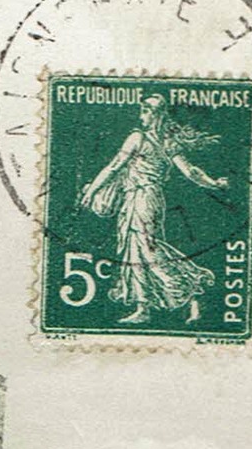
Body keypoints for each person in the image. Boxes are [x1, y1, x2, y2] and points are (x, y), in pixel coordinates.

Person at [77, 94, 229, 325]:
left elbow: (114, 167)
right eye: (142, 110)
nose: (142, 115)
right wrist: (214, 183)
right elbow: (192, 173)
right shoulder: (169, 144)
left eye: (146, 111)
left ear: (156, 114)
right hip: (148, 199)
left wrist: (90, 191)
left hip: (142, 199)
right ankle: (147, 305)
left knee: (146, 250)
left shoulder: (137, 138)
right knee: (138, 250)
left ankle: (192, 289)